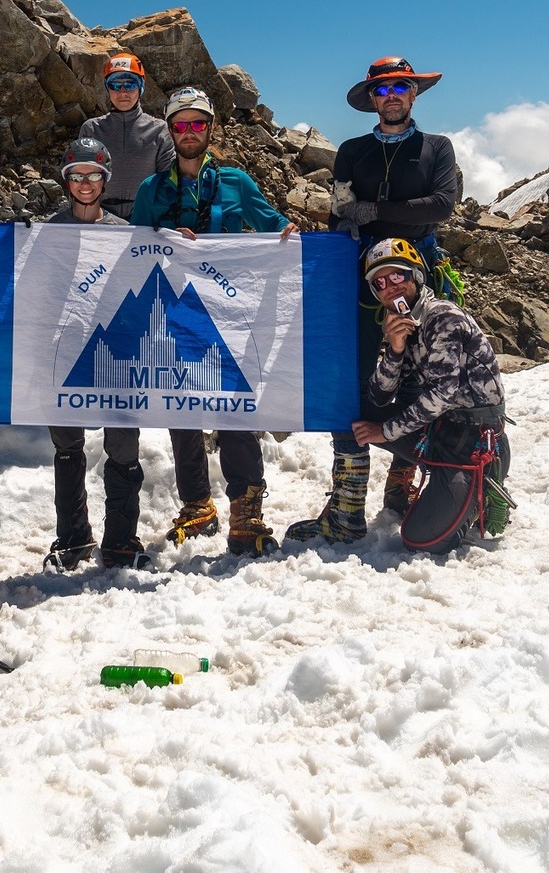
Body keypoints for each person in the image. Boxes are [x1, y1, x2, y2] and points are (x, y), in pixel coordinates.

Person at [293, 56, 462, 540]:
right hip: (364, 283)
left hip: (417, 281)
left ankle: (402, 488)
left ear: (413, 95)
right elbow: (340, 214)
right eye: (383, 89)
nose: (391, 96)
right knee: (355, 382)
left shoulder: (437, 149)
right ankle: (348, 509)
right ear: (372, 99)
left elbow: (442, 205)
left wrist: (374, 212)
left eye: (400, 88)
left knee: (421, 375)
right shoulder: (351, 151)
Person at [129, 87, 299, 557]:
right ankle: (197, 504)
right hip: (174, 311)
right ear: (169, 130)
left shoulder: (235, 182)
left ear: (210, 128)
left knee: (235, 408)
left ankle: (247, 511)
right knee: (180, 410)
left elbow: (272, 225)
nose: (188, 132)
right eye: (180, 124)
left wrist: (291, 234)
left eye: (197, 124)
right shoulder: (151, 190)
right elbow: (135, 250)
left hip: (229, 313)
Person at [350, 238, 510, 551]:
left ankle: (478, 488)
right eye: (380, 282)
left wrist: (385, 431)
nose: (390, 287)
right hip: (442, 431)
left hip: (473, 438)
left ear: (416, 277)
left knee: (422, 540)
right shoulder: (406, 325)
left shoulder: (441, 317)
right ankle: (444, 485)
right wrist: (394, 349)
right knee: (357, 408)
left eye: (398, 276)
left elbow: (444, 393)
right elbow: (379, 398)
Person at [38, 137, 150, 571]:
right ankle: (73, 537)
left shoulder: (126, 233)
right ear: (67, 181)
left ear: (105, 179)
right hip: (62, 352)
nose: (86, 183)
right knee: (67, 446)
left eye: (93, 175)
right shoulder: (47, 231)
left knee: (123, 444)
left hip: (117, 354)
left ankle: (120, 539)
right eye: (77, 176)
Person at [79, 51, 174, 222]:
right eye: (115, 85)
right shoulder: (91, 129)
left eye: (130, 85)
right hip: (100, 219)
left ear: (141, 87)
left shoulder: (160, 130)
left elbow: (168, 182)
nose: (123, 92)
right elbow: (79, 179)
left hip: (146, 219)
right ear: (108, 88)